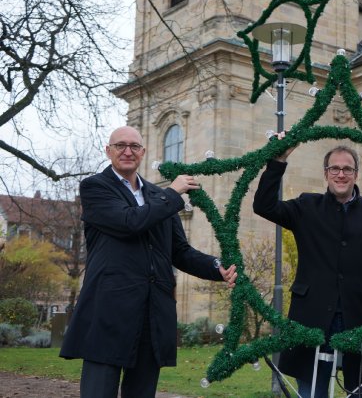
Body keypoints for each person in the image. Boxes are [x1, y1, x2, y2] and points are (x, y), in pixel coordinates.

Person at [60, 126, 237, 398]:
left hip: (152, 315)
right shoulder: (95, 187)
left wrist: (217, 267)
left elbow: (180, 252)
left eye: (134, 146)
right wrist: (173, 193)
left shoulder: (157, 195)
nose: (127, 151)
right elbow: (129, 223)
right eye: (120, 145)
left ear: (143, 152)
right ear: (108, 151)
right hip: (109, 313)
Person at [253, 140, 362, 398]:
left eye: (347, 169)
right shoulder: (306, 207)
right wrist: (277, 162)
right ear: (325, 174)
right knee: (312, 391)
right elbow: (264, 206)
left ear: (356, 174)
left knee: (359, 390)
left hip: (358, 316)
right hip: (311, 315)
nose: (341, 174)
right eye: (334, 168)